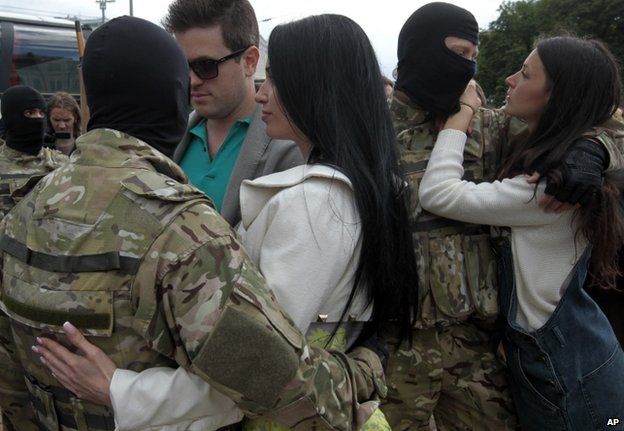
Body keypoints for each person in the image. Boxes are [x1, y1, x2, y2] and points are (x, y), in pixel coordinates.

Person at [32, 13, 419, 431]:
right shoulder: (349, 187)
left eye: (275, 79)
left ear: (316, 87)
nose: (263, 93)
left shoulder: (312, 202)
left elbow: (253, 370)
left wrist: (119, 390)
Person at [381, 3, 623, 430]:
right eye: (458, 52)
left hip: (480, 346)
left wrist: (596, 149)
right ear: (417, 51)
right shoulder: (370, 131)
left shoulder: (492, 127)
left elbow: (586, 112)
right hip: (396, 342)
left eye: (474, 55)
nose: (467, 66)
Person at [166, 0, 303, 225]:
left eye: (206, 66)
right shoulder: (170, 138)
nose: (191, 81)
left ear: (250, 61)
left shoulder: (291, 148)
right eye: (182, 66)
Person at [0, 85, 67, 220]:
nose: (37, 119)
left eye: (42, 113)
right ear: (10, 118)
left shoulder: (61, 163)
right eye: (29, 113)